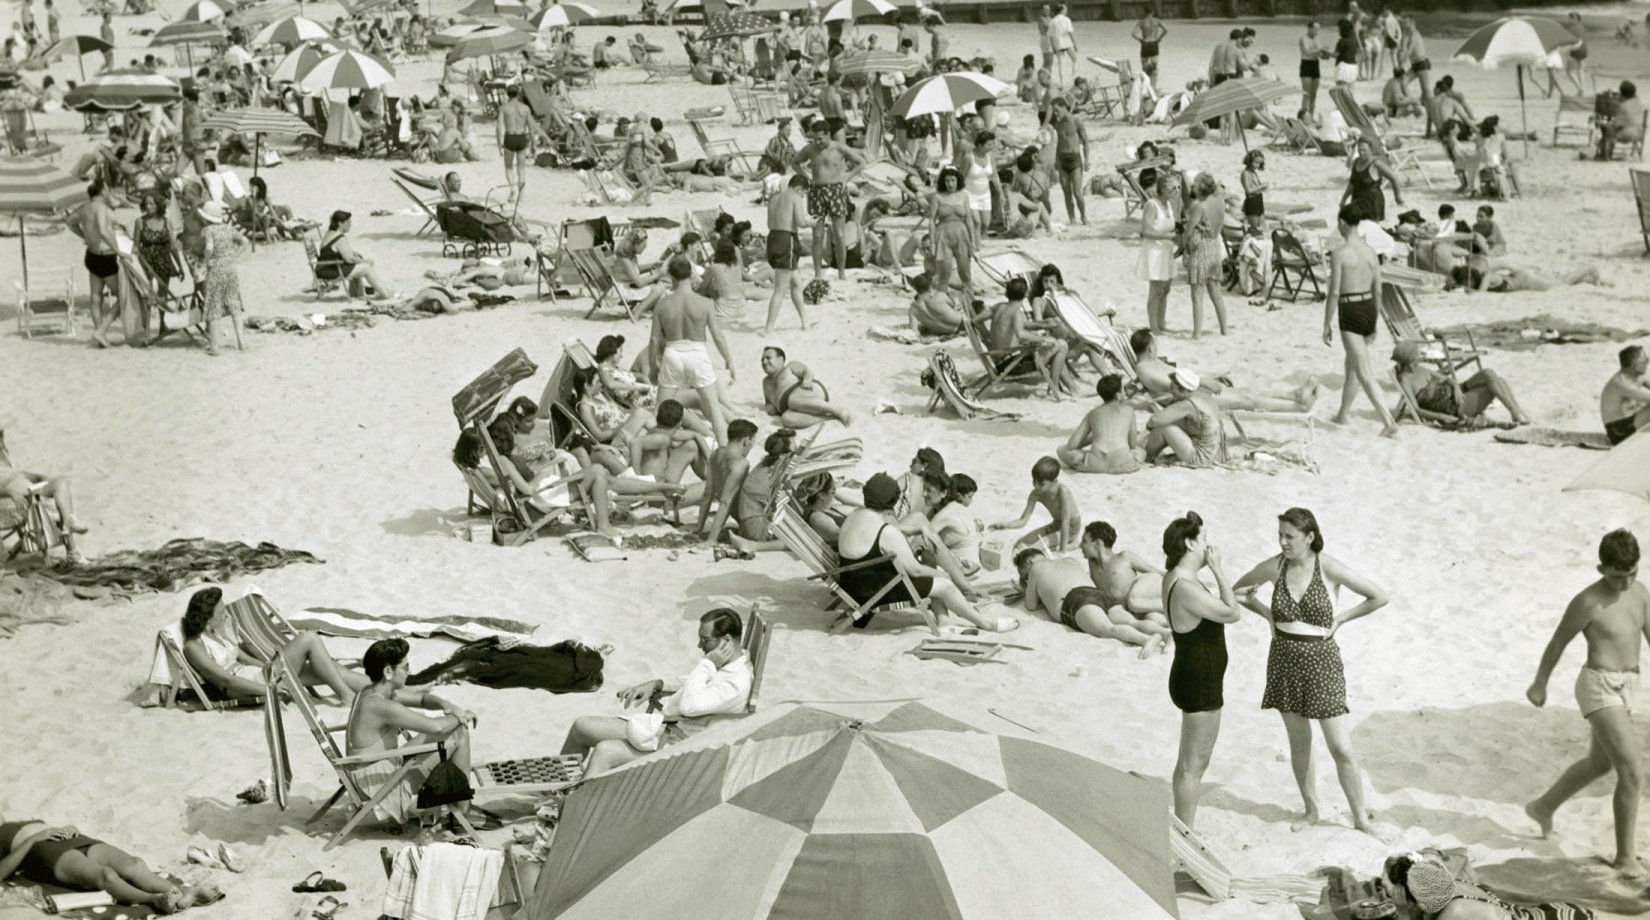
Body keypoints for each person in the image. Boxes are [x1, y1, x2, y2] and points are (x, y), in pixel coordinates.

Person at [1233, 508, 1388, 835]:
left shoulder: (1327, 566)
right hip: (1284, 660)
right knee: (1300, 742)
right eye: (1280, 535)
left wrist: (1342, 617)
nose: (1282, 542)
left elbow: (1379, 596)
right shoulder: (1275, 566)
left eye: (1289, 536)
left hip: (1322, 662)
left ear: (1310, 537)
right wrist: (1266, 615)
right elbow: (1238, 592)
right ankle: (1311, 810)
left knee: (1341, 747)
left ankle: (1359, 818)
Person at [1526, 530, 1650, 880]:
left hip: (1630, 685)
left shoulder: (1640, 594)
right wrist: (1540, 683)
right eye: (1616, 576)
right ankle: (1626, 858)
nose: (1625, 583)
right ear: (1601, 568)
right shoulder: (1587, 602)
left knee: (1598, 764)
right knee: (1632, 772)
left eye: (1632, 574)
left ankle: (1542, 807)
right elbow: (1557, 643)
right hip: (1597, 685)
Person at [560, 609, 752, 777]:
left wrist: (707, 663)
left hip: (680, 744)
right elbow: (696, 682)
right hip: (668, 730)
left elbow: (690, 705)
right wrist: (658, 684)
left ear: (726, 640)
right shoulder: (731, 665)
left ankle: (572, 812)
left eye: (705, 640)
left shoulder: (735, 682)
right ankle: (554, 791)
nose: (700, 646)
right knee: (581, 727)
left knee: (605, 751)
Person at [836, 473, 1017, 633]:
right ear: (892, 501)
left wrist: (917, 530)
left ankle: (944, 622)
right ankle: (986, 624)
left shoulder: (856, 515)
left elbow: (894, 528)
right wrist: (944, 575)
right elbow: (915, 571)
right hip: (873, 591)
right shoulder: (887, 532)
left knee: (932, 567)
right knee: (944, 584)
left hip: (852, 583)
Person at [346, 638, 484, 827]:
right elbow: (436, 727)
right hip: (378, 786)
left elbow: (422, 700)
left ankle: (460, 806)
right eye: (405, 667)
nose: (409, 672)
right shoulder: (381, 706)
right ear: (388, 671)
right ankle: (462, 813)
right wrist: (463, 716)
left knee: (452, 729)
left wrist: (447, 705)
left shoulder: (369, 692)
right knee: (458, 731)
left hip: (373, 771)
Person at [1162, 511, 1242, 829]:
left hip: (1189, 674)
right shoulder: (1185, 586)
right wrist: (1219, 569)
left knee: (1188, 764)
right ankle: (1185, 836)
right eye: (1204, 539)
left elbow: (1212, 608)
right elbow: (1232, 613)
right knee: (1193, 766)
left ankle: (1184, 829)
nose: (1208, 545)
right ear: (1190, 544)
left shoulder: (1175, 578)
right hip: (1200, 681)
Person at [179, 586, 370, 704]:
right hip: (245, 687)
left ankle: (387, 692)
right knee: (309, 638)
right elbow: (226, 681)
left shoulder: (218, 631)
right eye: (221, 613)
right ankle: (347, 696)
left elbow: (243, 657)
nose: (225, 615)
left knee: (330, 668)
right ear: (206, 618)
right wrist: (268, 690)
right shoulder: (194, 647)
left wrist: (271, 666)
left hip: (259, 675)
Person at [0, 819, 208, 914]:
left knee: (133, 864)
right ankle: (156, 899)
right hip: (42, 852)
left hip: (71, 838)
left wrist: (65, 828)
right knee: (105, 875)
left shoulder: (15, 819)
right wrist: (33, 839)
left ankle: (185, 891)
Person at [1325, 205, 1399, 437]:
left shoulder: (1339, 253)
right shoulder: (1371, 251)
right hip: (1368, 307)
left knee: (1364, 370)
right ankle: (1343, 414)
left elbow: (1334, 292)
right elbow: (1378, 290)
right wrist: (1374, 321)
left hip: (1350, 308)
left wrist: (1326, 323)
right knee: (1352, 367)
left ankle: (1389, 422)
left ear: (1343, 223)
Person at [648, 256, 734, 445]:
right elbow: (718, 336)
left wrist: (653, 367)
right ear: (691, 274)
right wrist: (728, 359)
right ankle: (723, 452)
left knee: (659, 411)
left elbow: (654, 340)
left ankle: (656, 449)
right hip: (697, 352)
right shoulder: (705, 303)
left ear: (672, 276)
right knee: (714, 410)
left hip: (672, 353)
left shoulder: (663, 304)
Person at [1017, 547, 1169, 652]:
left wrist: (1025, 586)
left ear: (1029, 562)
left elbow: (1031, 605)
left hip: (1075, 600)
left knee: (1108, 629)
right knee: (1132, 622)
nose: (1027, 578)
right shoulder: (1069, 560)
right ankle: (1166, 634)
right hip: (1097, 593)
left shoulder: (1036, 569)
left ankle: (1144, 639)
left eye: (1025, 576)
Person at [1381, 851, 1599, 920]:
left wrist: (1402, 913)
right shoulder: (1445, 885)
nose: (1385, 895)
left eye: (1390, 891)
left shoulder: (1454, 912)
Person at [0, 412, 87, 561]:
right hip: (11, 503)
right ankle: (72, 551)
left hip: (30, 493)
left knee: (60, 483)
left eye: (1, 434)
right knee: (50, 504)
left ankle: (69, 523)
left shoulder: (3, 456)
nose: (2, 438)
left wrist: (38, 477)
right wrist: (9, 491)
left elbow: (15, 474)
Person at [1390, 342, 1531, 428]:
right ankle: (1517, 413)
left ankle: (1516, 412)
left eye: (1417, 359)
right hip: (1453, 407)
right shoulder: (1405, 381)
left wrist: (1456, 386)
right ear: (1406, 362)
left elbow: (1445, 378)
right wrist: (1442, 417)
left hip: (1458, 391)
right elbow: (1416, 409)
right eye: (1413, 361)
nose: (1417, 363)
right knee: (1497, 383)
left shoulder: (1419, 369)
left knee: (1488, 373)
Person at [792, 119, 867, 283]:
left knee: (840, 235)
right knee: (817, 235)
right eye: (814, 139)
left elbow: (861, 162)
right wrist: (806, 177)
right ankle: (817, 273)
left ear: (828, 135)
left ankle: (841, 273)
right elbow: (795, 162)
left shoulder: (839, 148)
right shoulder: (811, 149)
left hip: (836, 191)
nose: (817, 142)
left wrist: (847, 178)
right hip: (816, 191)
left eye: (820, 139)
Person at [988, 277, 1071, 399]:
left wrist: (1042, 324)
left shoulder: (999, 307)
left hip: (1001, 361)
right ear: (1026, 293)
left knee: (1055, 345)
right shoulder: (1016, 311)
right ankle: (1054, 391)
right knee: (1062, 345)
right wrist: (1043, 339)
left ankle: (1072, 388)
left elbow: (1016, 326)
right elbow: (1020, 333)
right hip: (1013, 365)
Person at [1081, 521, 1167, 622]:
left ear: (1098, 544)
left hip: (1144, 586)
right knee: (1153, 619)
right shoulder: (1092, 565)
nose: (1080, 545)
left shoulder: (1124, 557)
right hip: (1136, 606)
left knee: (1134, 601)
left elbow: (1156, 572)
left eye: (1084, 541)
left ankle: (1174, 604)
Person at [991, 456, 1081, 552]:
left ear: (1054, 482)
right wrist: (1005, 525)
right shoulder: (1035, 494)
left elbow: (1066, 522)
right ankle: (1061, 545)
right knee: (1020, 544)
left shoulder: (1063, 492)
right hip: (1055, 525)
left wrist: (1063, 551)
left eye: (1042, 484)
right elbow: (1023, 521)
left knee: (1037, 547)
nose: (1036, 486)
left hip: (1070, 528)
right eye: (1034, 481)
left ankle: (1071, 545)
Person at [1059, 374, 1145, 474]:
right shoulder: (1129, 410)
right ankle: (1120, 468)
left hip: (1096, 463)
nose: (1125, 392)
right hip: (1122, 461)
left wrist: (1092, 438)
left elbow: (1072, 445)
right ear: (1117, 395)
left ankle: (1094, 466)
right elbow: (1132, 444)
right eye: (1122, 390)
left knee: (1061, 450)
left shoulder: (1093, 413)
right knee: (1141, 451)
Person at [1144, 369, 1228, 467]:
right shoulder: (1203, 395)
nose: (1171, 391)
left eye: (1172, 388)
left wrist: (1149, 426)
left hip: (1203, 458)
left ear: (1183, 389)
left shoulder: (1188, 404)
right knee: (1178, 421)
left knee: (1163, 427)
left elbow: (1154, 420)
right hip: (1220, 455)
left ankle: (1147, 457)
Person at [73, 180, 120, 348]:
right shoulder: (101, 208)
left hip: (91, 255)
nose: (108, 192)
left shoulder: (84, 208)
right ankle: (102, 330)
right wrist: (118, 250)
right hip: (105, 255)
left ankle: (100, 335)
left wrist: (85, 236)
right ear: (102, 191)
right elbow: (102, 230)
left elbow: (69, 222)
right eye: (107, 189)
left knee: (96, 297)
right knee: (123, 297)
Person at [195, 201, 245, 356]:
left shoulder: (207, 230)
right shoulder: (229, 228)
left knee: (214, 306)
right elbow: (245, 241)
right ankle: (241, 342)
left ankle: (215, 346)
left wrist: (206, 259)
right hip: (230, 269)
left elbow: (209, 247)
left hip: (215, 270)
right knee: (234, 304)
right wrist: (233, 256)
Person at [761, 346, 853, 429]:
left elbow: (807, 371)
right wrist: (770, 407)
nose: (764, 362)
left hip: (808, 393)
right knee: (786, 419)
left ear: (780, 360)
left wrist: (807, 379)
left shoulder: (789, 367)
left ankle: (837, 410)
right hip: (794, 408)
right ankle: (828, 418)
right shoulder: (765, 382)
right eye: (762, 360)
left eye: (768, 358)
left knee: (792, 400)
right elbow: (769, 404)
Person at [1183, 173, 1228, 339]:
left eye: (1195, 183)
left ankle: (1197, 333)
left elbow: (1189, 230)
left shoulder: (1199, 205)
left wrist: (1184, 246)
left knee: (1197, 295)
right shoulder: (1220, 202)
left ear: (1201, 187)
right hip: (1214, 245)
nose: (1192, 186)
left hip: (1200, 248)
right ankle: (1224, 329)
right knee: (1216, 293)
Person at [698, 419, 758, 543]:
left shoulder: (715, 454)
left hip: (741, 518)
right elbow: (725, 503)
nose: (751, 447)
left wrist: (699, 526)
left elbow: (707, 494)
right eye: (752, 443)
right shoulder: (741, 464)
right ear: (746, 441)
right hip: (748, 522)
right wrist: (712, 539)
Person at [317, 210, 394, 301]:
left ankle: (356, 293)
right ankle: (386, 294)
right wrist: (365, 261)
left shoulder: (330, 233)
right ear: (340, 223)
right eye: (348, 222)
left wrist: (355, 256)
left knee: (358, 266)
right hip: (332, 269)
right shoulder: (339, 238)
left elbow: (342, 252)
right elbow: (349, 259)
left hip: (325, 267)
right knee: (366, 268)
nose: (350, 225)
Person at [925, 166, 978, 296]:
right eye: (947, 181)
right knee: (944, 272)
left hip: (962, 233)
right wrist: (932, 242)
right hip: (942, 234)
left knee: (965, 271)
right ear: (943, 181)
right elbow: (931, 220)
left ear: (957, 180)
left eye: (953, 180)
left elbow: (969, 220)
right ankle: (941, 302)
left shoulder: (964, 196)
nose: (950, 184)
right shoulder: (937, 197)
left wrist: (973, 241)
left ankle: (971, 302)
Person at [1138, 171, 1179, 334]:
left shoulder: (1168, 204)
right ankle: (1153, 326)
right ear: (1163, 188)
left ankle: (1161, 324)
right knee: (1156, 290)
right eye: (1173, 188)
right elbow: (1146, 232)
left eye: (1178, 187)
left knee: (1166, 289)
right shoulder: (1152, 205)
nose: (1177, 191)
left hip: (1166, 250)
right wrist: (1168, 236)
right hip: (1155, 251)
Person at [497, 84, 549, 204]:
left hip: (509, 137)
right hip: (521, 137)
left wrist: (499, 143)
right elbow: (531, 127)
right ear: (519, 93)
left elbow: (499, 127)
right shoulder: (525, 108)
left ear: (507, 94)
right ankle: (521, 197)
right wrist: (533, 144)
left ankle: (511, 189)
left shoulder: (504, 108)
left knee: (509, 167)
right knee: (521, 169)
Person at [1049, 96, 1088, 225]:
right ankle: (1072, 219)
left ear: (1064, 107)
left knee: (1077, 193)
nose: (1055, 113)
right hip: (1062, 160)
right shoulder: (1058, 124)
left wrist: (1087, 159)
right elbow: (1059, 143)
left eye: (1056, 110)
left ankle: (1083, 216)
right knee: (1066, 193)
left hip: (1075, 159)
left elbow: (1086, 142)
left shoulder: (1077, 121)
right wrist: (1056, 160)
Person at [1601, 344, 1650, 445]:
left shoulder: (1637, 375)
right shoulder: (1622, 383)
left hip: (1630, 421)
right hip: (1617, 431)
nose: (1647, 362)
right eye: (1645, 360)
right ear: (1634, 365)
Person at [1598, 80, 1645, 162]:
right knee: (1609, 128)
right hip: (1640, 133)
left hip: (1628, 135)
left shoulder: (1623, 106)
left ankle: (1606, 155)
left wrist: (1604, 124)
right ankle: (1604, 152)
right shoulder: (1638, 102)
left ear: (1622, 94)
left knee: (1607, 129)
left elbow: (1616, 125)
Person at [1134, 9, 1166, 86]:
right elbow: (1166, 30)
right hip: (1154, 43)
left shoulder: (1141, 22)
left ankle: (1145, 84)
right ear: (1153, 12)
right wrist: (1159, 38)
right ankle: (1153, 86)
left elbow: (1133, 33)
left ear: (1145, 12)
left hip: (1145, 44)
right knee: (1154, 67)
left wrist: (1139, 40)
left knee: (1144, 67)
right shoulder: (1157, 21)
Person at [1048, 3, 1076, 86]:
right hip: (1067, 43)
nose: (1066, 11)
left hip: (1058, 44)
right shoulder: (1067, 19)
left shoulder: (1052, 21)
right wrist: (1074, 44)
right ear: (1062, 10)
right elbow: (1070, 33)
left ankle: (1062, 83)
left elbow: (1050, 36)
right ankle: (1073, 80)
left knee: (1061, 65)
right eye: (1065, 9)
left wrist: (1053, 47)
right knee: (1075, 60)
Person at [1239, 149, 1267, 234]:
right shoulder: (1245, 173)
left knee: (1262, 227)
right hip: (1252, 201)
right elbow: (1248, 190)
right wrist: (1261, 186)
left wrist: (1262, 187)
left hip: (1258, 199)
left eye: (1259, 163)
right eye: (1255, 162)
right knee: (1254, 229)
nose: (1256, 165)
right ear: (1249, 161)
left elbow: (1255, 187)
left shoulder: (1253, 172)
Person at [1333, 18, 1359, 89]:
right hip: (1353, 67)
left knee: (1341, 93)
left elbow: (1335, 55)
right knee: (1350, 93)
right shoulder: (1354, 38)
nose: (1337, 30)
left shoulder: (1342, 41)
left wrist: (1325, 52)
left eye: (1338, 28)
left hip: (1343, 67)